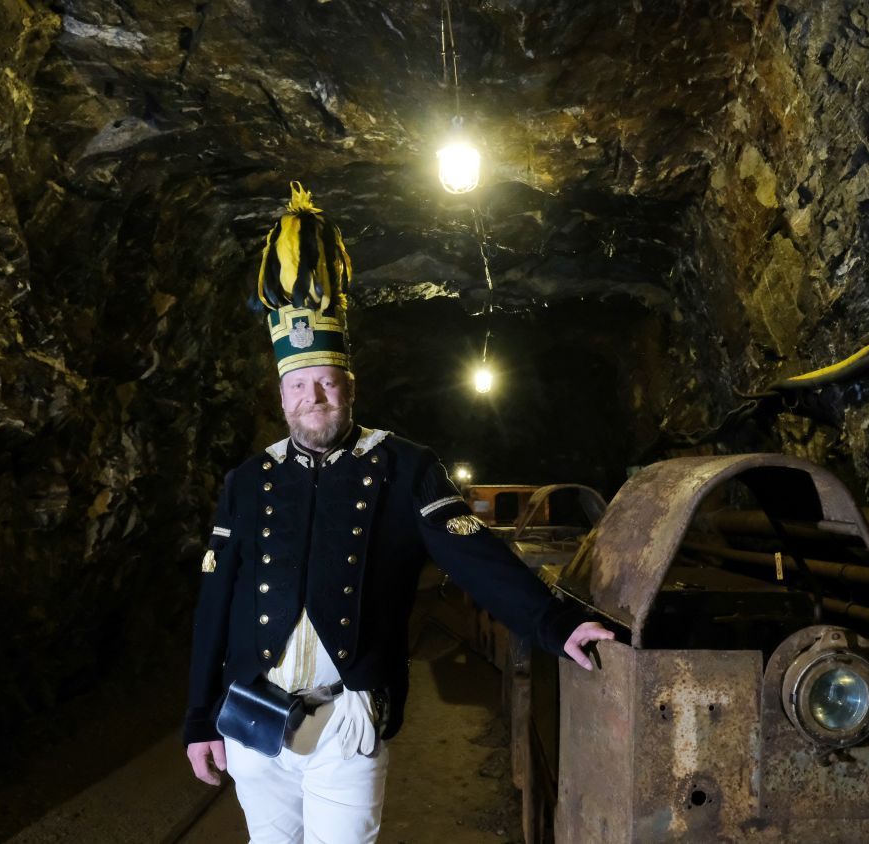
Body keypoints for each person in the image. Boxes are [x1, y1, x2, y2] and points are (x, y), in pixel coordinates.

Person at [182, 183, 613, 843]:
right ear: (281, 396)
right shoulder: (247, 481)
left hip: (347, 720)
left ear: (349, 387)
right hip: (253, 718)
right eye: (299, 386)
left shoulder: (402, 466)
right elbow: (215, 600)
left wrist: (557, 623)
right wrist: (198, 719)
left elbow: (474, 556)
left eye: (326, 381)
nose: (314, 396)